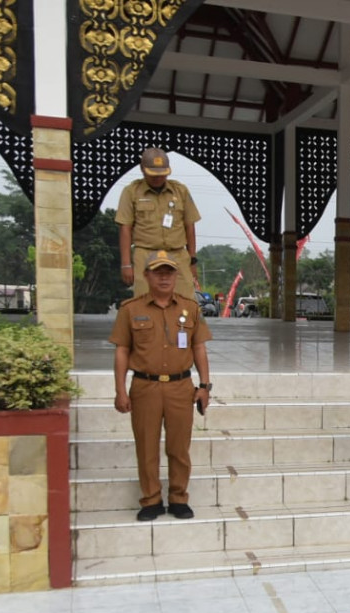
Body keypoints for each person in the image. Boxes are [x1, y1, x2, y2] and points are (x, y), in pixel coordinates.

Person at [110, 251, 213, 522]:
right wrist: (120, 390)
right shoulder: (131, 309)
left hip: (181, 387)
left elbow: (199, 348)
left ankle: (179, 498)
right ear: (147, 276)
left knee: (179, 447)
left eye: (169, 272)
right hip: (145, 387)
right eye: (158, 272)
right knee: (146, 446)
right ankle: (151, 500)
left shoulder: (191, 308)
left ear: (177, 275)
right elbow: (122, 351)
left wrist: (204, 385)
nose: (164, 277)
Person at [116, 147, 201, 302]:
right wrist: (126, 264)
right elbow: (125, 228)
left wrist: (192, 259)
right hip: (145, 254)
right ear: (142, 169)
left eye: (162, 174)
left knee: (185, 303)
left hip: (177, 255)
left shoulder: (180, 191)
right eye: (153, 174)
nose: (158, 178)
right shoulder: (131, 192)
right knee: (144, 302)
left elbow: (190, 226)